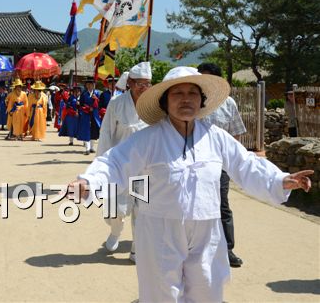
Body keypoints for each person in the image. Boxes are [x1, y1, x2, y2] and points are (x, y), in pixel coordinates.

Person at [68, 66, 312, 302]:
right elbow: (115, 162)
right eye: (178, 94)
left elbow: (245, 163)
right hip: (159, 228)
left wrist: (280, 180)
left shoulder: (215, 136)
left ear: (201, 100)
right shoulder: (148, 138)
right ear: (165, 101)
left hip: (207, 227)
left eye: (192, 93)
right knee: (161, 291)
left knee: (207, 286)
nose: (186, 100)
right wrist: (90, 181)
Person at [96, 62, 152, 262]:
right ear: (129, 83)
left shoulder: (154, 106)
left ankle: (137, 248)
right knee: (114, 209)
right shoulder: (116, 104)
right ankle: (115, 230)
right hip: (119, 164)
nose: (144, 88)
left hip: (144, 167)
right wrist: (103, 165)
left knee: (142, 209)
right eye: (139, 83)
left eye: (148, 84)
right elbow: (106, 134)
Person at [198, 62, 247, 267]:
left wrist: (232, 163)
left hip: (219, 166)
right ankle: (198, 250)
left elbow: (235, 134)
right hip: (193, 165)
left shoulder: (229, 103)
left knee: (222, 206)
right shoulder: (192, 102)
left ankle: (227, 250)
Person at [76, 78, 102, 155]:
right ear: (86, 85)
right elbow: (81, 104)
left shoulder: (97, 93)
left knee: (94, 130)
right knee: (86, 130)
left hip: (94, 114)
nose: (90, 86)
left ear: (94, 85)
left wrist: (96, 99)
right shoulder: (84, 94)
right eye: (89, 84)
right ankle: (87, 148)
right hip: (86, 114)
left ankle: (92, 147)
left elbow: (100, 104)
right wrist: (85, 107)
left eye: (92, 84)